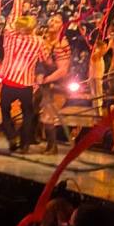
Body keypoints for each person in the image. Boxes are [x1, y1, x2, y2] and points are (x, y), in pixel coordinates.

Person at [0, 0, 47, 153]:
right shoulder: (38, 41)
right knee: (28, 114)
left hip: (9, 82)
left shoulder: (10, 35)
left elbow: (14, 13)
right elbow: (44, 58)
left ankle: (11, 135)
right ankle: (24, 143)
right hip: (25, 85)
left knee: (5, 110)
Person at [37, 14, 70, 154]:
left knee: (48, 116)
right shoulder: (46, 42)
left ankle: (52, 147)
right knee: (36, 110)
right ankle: (40, 141)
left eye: (56, 21)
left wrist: (46, 79)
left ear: (61, 26)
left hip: (57, 86)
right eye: (51, 20)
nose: (52, 22)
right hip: (47, 85)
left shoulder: (62, 43)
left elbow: (62, 70)